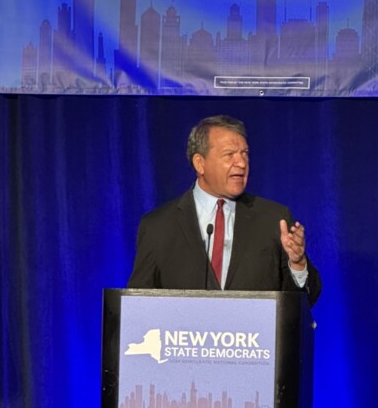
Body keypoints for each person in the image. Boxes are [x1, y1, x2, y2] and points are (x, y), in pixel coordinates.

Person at [127, 115, 321, 305]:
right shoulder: (159, 226)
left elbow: (303, 301)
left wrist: (297, 263)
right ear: (200, 164)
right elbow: (138, 305)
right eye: (230, 155)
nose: (242, 163)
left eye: (245, 153)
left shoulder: (273, 219)